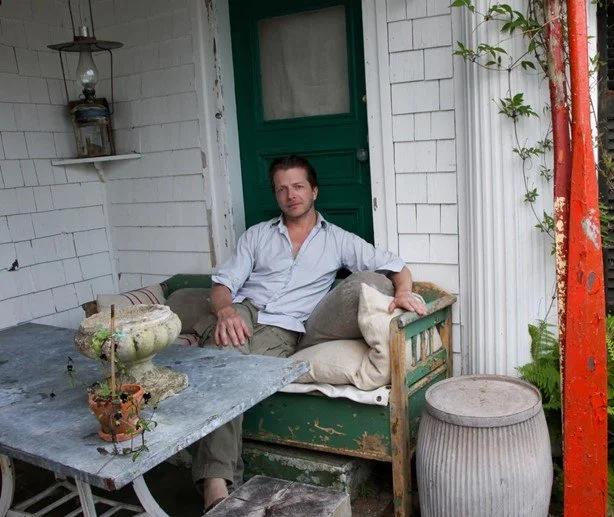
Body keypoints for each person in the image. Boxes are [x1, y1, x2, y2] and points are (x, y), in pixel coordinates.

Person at [191, 155, 426, 512]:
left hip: (285, 327)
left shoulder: (337, 240)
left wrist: (404, 291)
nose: (291, 195)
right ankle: (217, 482)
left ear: (314, 191)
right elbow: (223, 284)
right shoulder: (257, 235)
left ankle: (215, 484)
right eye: (282, 189)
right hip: (243, 311)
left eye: (298, 186)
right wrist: (224, 310)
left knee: (231, 370)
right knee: (220, 360)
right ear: (276, 195)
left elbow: (395, 266)